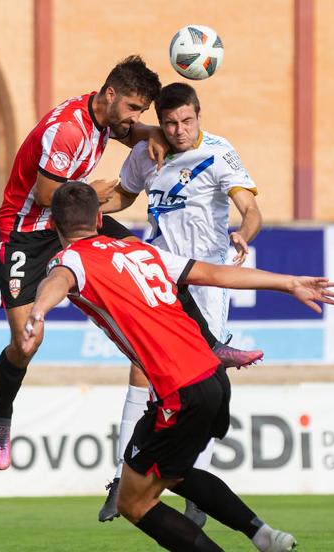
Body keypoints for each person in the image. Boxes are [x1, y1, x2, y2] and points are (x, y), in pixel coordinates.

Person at [19, 181, 334, 551]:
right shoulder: (140, 251)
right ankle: (263, 535)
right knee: (174, 474)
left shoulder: (71, 259)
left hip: (180, 388)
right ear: (100, 217)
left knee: (133, 501)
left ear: (55, 227)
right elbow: (217, 274)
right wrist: (288, 282)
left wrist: (39, 312)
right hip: (213, 378)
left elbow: (58, 279)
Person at [0, 57, 253, 473]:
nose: (134, 118)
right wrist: (88, 190)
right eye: (132, 108)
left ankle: (211, 344)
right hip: (27, 231)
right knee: (26, 344)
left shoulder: (108, 118)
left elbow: (134, 132)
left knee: (154, 262)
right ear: (109, 95)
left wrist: (152, 133)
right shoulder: (68, 130)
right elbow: (43, 195)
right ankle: (2, 415)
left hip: (76, 221)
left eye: (141, 112)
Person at [99, 82, 265, 523]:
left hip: (205, 279)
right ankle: (121, 479)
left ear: (198, 115)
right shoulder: (148, 152)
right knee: (140, 366)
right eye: (170, 122)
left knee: (200, 379)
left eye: (186, 121)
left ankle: (195, 487)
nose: (178, 130)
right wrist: (83, 203)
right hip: (159, 275)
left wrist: (243, 235)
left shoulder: (218, 151)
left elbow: (250, 209)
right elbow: (123, 197)